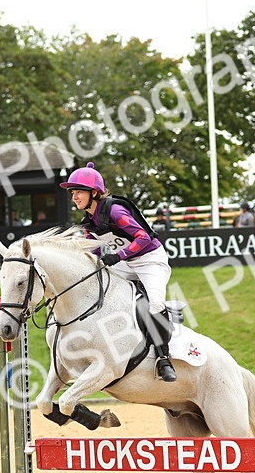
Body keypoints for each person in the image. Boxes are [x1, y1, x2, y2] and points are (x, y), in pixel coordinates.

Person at [60, 162, 177, 382]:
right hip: (125, 263)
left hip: (150, 260)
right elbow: (93, 250)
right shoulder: (88, 222)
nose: (74, 196)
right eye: (72, 192)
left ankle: (164, 359)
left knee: (155, 303)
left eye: (79, 191)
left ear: (94, 193)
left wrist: (118, 255)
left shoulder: (114, 210)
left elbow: (143, 237)